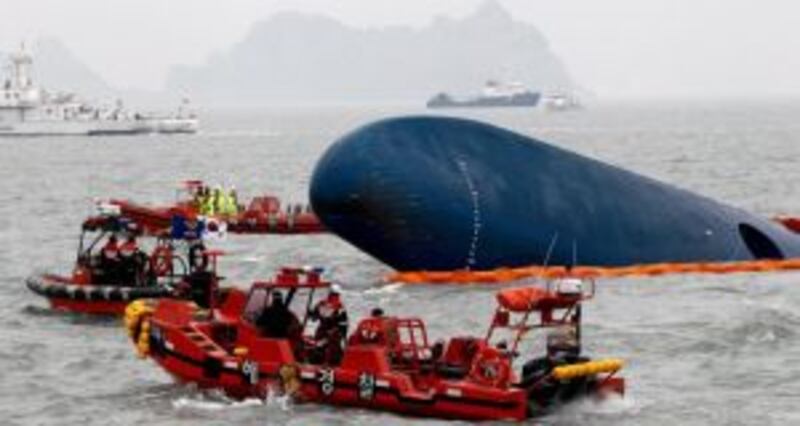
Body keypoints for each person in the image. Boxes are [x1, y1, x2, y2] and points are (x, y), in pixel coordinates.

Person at [309, 291, 349, 364]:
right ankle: (319, 360)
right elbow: (314, 317)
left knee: (330, 346)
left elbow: (343, 323)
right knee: (319, 345)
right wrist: (311, 314)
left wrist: (341, 333)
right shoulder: (323, 304)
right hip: (325, 329)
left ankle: (327, 361)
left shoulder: (339, 307)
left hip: (332, 330)